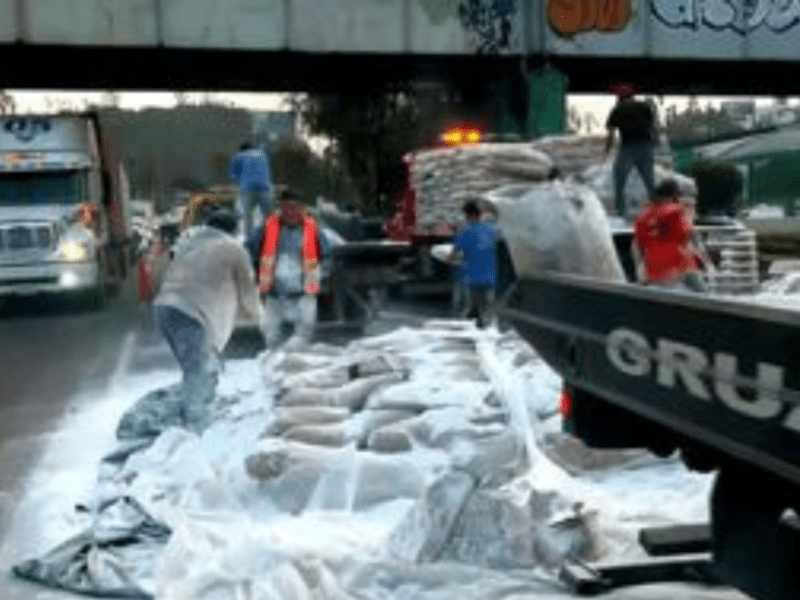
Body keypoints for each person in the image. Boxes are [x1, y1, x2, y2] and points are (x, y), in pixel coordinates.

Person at [154, 206, 262, 434]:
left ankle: (195, 414)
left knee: (198, 368)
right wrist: (260, 319)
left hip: (165, 308)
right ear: (232, 230)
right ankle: (197, 429)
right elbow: (248, 291)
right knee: (199, 371)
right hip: (191, 313)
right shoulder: (233, 248)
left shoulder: (190, 243)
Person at [258, 189, 324, 349]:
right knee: (271, 336)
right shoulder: (267, 228)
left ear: (301, 209)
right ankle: (273, 362)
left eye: (294, 207)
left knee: (303, 335)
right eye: (285, 207)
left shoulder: (313, 229)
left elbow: (325, 254)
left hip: (303, 293)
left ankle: (294, 364)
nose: (289, 212)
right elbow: (253, 252)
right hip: (274, 293)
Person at [633, 180, 709, 292]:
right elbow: (686, 235)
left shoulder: (642, 216)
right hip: (681, 264)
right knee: (703, 295)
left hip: (654, 269)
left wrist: (641, 269)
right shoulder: (678, 210)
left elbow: (639, 244)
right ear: (674, 194)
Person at [605, 83, 658, 217]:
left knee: (619, 179)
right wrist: (654, 144)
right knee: (650, 181)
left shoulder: (618, 109)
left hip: (628, 148)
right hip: (645, 146)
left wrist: (607, 151)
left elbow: (611, 133)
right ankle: (659, 210)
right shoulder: (645, 107)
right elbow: (653, 128)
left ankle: (619, 211)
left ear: (620, 98)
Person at [448, 200, 498, 328]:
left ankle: (472, 328)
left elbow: (453, 255)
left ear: (468, 215)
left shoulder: (465, 232)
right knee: (487, 308)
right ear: (479, 214)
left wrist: (450, 260)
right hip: (490, 275)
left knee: (469, 307)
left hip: (472, 277)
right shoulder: (491, 230)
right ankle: (487, 329)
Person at [229, 142, 273, 242]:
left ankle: (245, 235)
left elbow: (233, 175)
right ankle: (271, 232)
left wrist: (239, 181)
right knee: (267, 212)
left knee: (245, 211)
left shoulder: (239, 156)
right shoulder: (262, 154)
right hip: (264, 185)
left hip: (247, 185)